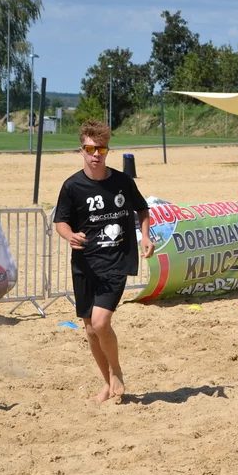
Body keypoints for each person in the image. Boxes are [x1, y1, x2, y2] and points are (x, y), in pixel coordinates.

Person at [53, 119, 154, 402]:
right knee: (89, 329)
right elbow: (60, 221)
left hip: (116, 260)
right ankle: (107, 383)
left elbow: (143, 209)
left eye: (101, 148)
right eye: (90, 148)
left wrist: (145, 236)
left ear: (108, 150)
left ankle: (117, 371)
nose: (96, 154)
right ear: (81, 150)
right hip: (85, 264)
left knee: (100, 323)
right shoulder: (72, 186)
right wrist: (69, 235)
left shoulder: (122, 181)